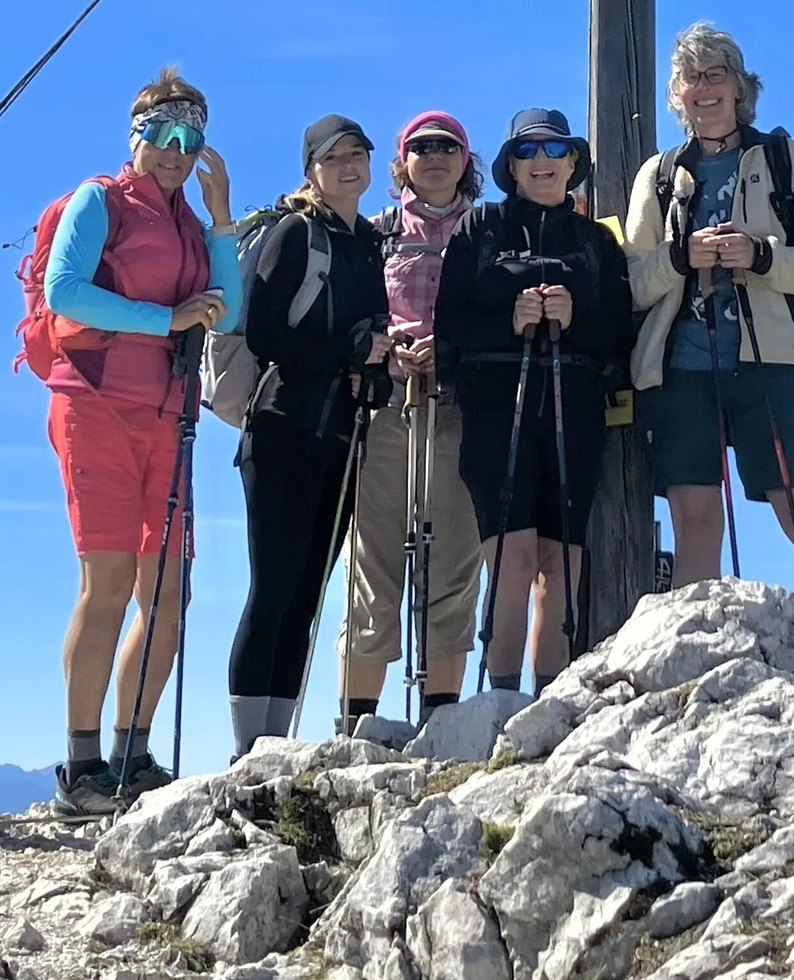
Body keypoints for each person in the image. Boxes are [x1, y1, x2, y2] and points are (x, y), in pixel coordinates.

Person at [40, 66, 239, 818]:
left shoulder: (191, 222)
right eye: (162, 136)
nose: (176, 152)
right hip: (93, 404)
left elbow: (227, 306)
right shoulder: (99, 202)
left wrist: (220, 218)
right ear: (138, 138)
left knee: (168, 593)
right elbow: (66, 291)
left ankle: (132, 756)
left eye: (190, 140)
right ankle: (82, 767)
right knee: (110, 583)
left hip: (168, 413)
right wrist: (167, 321)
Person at [626, 23, 794, 616]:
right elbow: (631, 285)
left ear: (740, 86)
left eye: (717, 74)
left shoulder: (788, 160)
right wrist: (682, 258)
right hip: (679, 367)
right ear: (677, 95)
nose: (704, 87)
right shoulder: (657, 175)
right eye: (691, 77)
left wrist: (760, 254)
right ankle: (694, 666)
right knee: (695, 520)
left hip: (770, 362)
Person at [436, 107, 632, 691]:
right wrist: (509, 321)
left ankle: (551, 702)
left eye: (554, 150)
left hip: (575, 409)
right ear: (510, 167)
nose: (541, 162)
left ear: (574, 163)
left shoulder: (597, 241)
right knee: (512, 560)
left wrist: (575, 320)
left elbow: (622, 334)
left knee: (562, 564)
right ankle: (500, 700)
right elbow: (449, 324)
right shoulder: (480, 228)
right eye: (527, 152)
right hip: (498, 407)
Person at [229, 116, 392, 753]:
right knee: (273, 587)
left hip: (341, 434)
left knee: (305, 594)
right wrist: (346, 351)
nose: (350, 167)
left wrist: (372, 363)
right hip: (282, 428)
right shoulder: (298, 233)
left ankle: (274, 745)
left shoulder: (366, 245)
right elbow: (266, 332)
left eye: (358, 155)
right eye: (335, 158)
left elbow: (360, 346)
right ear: (312, 170)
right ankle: (250, 750)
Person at [340, 113, 486, 725]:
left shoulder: (488, 234)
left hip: (457, 408)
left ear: (464, 158)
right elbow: (350, 311)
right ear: (403, 160)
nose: (434, 156)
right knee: (372, 560)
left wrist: (450, 344)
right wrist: (385, 338)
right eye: (420, 147)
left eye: (446, 146)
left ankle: (440, 722)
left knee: (452, 560)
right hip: (385, 409)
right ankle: (359, 722)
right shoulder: (372, 234)